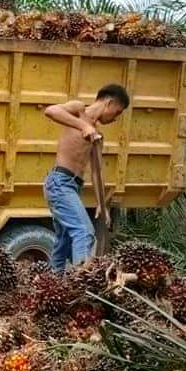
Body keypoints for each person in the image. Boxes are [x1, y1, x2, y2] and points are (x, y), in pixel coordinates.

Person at [43, 84, 130, 273]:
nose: (115, 119)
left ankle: (52, 285)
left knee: (64, 241)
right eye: (117, 112)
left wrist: (102, 205)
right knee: (84, 231)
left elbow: (97, 173)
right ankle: (81, 283)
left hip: (73, 186)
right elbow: (51, 111)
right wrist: (83, 125)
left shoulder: (98, 135)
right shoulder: (78, 110)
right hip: (59, 182)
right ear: (109, 102)